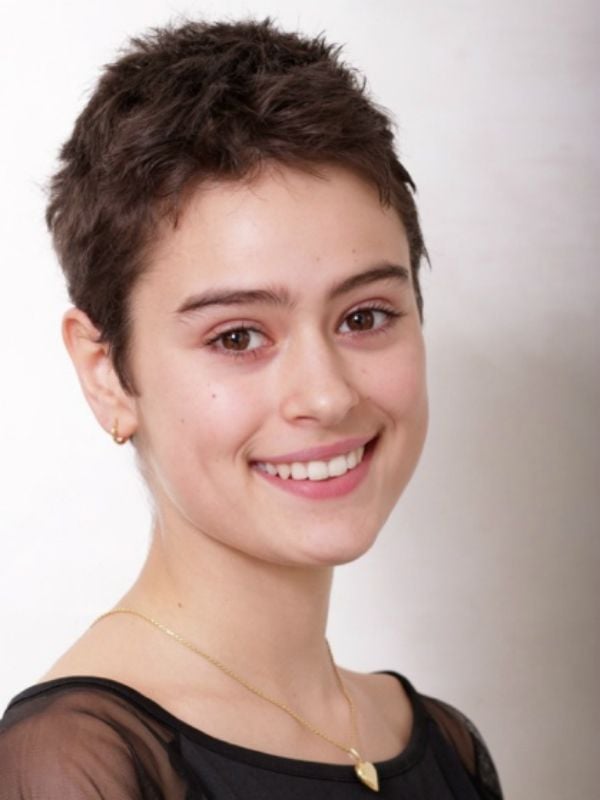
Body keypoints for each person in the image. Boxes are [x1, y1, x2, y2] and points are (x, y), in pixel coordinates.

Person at [0, 18, 502, 799]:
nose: (327, 395)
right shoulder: (74, 764)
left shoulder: (446, 742)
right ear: (106, 374)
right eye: (237, 336)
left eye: (365, 316)